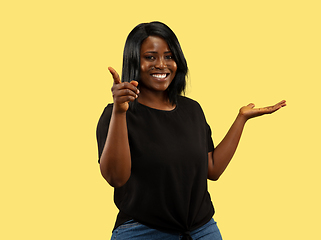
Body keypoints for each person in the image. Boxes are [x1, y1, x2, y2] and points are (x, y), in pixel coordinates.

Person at [96, 21, 286, 240]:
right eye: (150, 57)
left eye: (169, 56)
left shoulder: (191, 109)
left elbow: (212, 169)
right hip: (143, 231)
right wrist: (120, 112)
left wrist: (241, 119)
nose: (161, 64)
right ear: (134, 61)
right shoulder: (116, 115)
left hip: (202, 230)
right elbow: (116, 178)